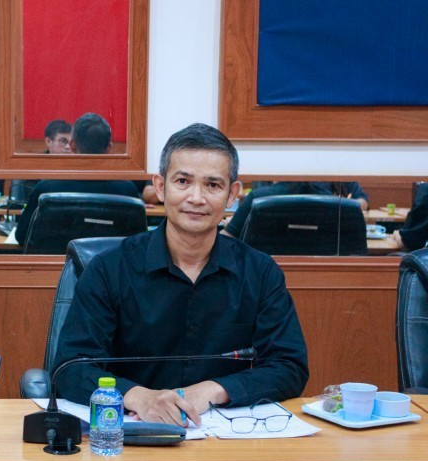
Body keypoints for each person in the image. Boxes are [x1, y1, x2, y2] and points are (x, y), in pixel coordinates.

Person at [55, 123, 309, 427]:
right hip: (129, 439)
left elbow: (289, 365)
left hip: (228, 441)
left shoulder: (260, 272)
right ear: (161, 187)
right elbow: (71, 367)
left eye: (213, 185)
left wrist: (214, 390)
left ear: (232, 194)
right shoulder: (109, 269)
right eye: (183, 181)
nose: (196, 198)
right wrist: (136, 396)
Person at [15, 113, 139, 244]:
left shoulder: (46, 188)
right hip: (110, 258)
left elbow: (22, 236)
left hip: (58, 258)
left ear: (72, 145)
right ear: (109, 147)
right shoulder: (127, 190)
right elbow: (139, 242)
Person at [222, 181, 370, 239]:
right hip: (329, 278)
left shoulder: (257, 198)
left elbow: (226, 238)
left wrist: (235, 225)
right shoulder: (337, 204)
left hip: (261, 278)